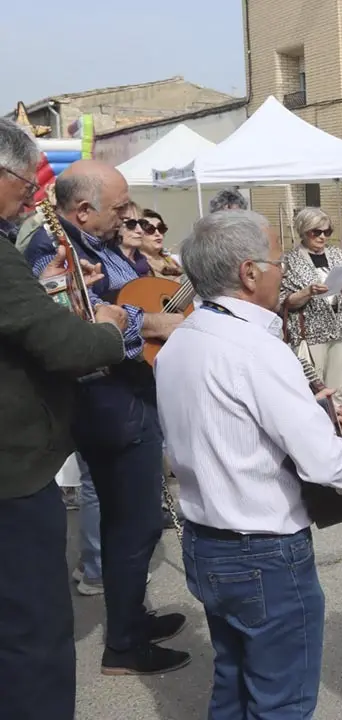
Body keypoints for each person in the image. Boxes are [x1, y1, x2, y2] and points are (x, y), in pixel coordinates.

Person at [156, 209, 342, 719]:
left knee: (232, 685)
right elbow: (326, 463)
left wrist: (310, 409)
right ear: (249, 272)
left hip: (206, 542)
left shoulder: (181, 340)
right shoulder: (256, 349)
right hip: (263, 552)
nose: (285, 273)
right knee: (281, 702)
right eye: (279, 262)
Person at [25, 159, 190, 676]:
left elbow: (118, 296)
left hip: (128, 392)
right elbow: (84, 314)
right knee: (134, 522)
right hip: (109, 400)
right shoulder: (53, 249)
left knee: (133, 522)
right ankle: (122, 644)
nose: (128, 216)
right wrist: (154, 320)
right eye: (119, 208)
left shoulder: (100, 243)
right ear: (82, 210)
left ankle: (130, 618)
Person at [0, 116, 129, 720]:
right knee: (36, 634)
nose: (33, 195)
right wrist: (106, 328)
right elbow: (63, 346)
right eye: (25, 183)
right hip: (14, 475)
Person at [279, 207, 342, 406]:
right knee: (313, 387)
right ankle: (317, 432)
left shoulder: (338, 254)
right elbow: (284, 301)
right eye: (317, 232)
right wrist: (308, 291)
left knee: (339, 387)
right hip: (310, 333)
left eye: (327, 232)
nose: (323, 237)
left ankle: (339, 431)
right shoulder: (290, 260)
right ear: (303, 231)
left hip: (339, 329)